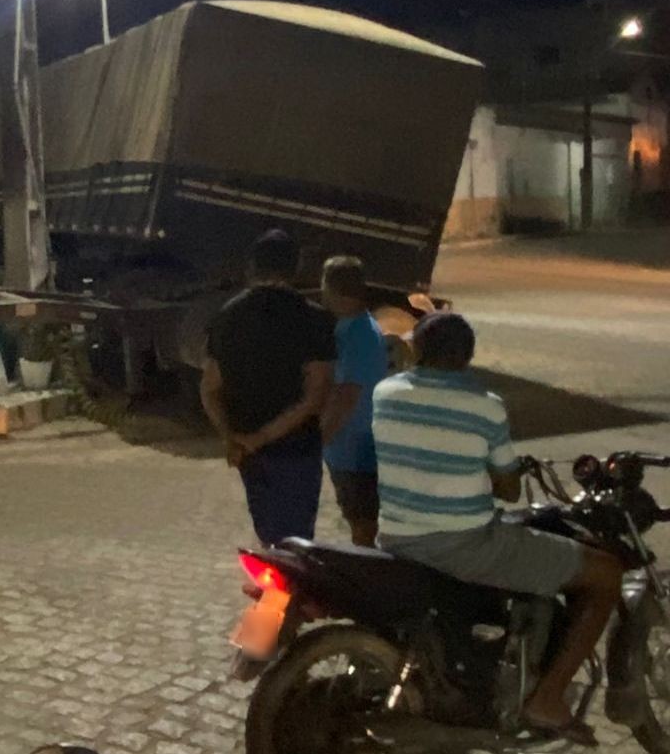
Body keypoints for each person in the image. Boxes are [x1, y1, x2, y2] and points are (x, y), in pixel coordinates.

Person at [373, 313, 621, 745]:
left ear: (415, 349)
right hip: (464, 545)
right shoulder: (485, 404)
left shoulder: (385, 393)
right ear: (468, 357)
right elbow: (508, 489)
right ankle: (548, 699)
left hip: (395, 536)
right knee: (605, 574)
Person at [201, 229, 336, 546]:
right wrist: (262, 438)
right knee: (295, 544)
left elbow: (209, 388)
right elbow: (315, 395)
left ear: (252, 267)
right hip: (295, 449)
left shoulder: (226, 317)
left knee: (268, 537)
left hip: (249, 455)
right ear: (296, 267)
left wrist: (232, 438)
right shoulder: (314, 319)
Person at [319, 256, 388, 547]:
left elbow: (347, 396)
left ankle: (365, 580)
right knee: (358, 520)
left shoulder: (360, 335)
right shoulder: (354, 327)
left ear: (332, 288)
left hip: (355, 451)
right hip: (350, 448)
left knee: (363, 525)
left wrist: (319, 439)